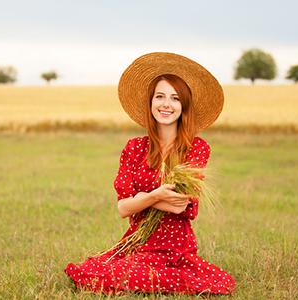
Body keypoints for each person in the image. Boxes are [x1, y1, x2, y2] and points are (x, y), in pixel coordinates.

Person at [65, 52, 235, 295]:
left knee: (220, 282)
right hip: (137, 242)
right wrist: (156, 195)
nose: (166, 104)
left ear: (183, 106)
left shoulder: (196, 148)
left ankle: (152, 277)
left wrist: (141, 199)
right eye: (160, 96)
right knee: (91, 271)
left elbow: (181, 206)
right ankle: (141, 276)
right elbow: (123, 209)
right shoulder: (134, 148)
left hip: (175, 248)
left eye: (175, 98)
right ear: (151, 102)